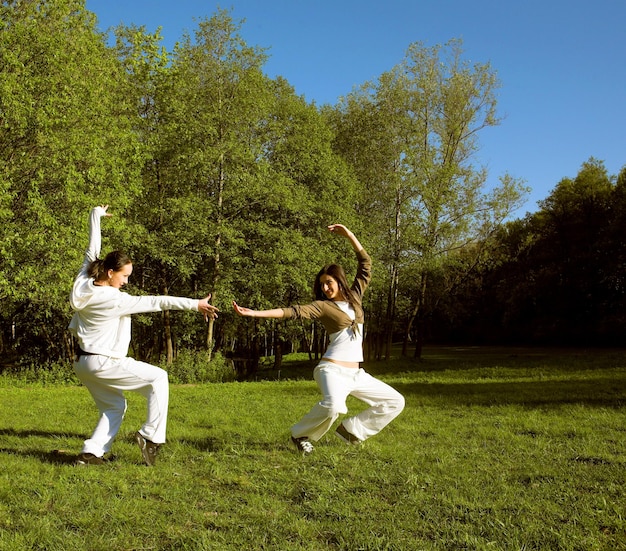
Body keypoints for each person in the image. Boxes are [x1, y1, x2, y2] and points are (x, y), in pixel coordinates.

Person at [233, 224, 404, 454]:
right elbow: (292, 311)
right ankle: (300, 435)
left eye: (329, 283)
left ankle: (352, 430)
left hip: (357, 374)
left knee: (395, 401)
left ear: (339, 281)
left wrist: (350, 235)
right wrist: (254, 313)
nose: (325, 288)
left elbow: (366, 265)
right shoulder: (322, 307)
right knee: (333, 406)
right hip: (331, 370)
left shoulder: (355, 297)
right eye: (322, 285)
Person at [69, 205, 218, 466]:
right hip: (104, 362)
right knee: (159, 378)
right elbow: (157, 301)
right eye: (124, 276)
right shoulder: (114, 300)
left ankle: (91, 453)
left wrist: (95, 215)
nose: (126, 281)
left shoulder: (84, 281)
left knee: (114, 407)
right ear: (110, 272)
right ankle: (151, 437)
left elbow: (91, 248)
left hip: (83, 364)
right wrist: (195, 304)